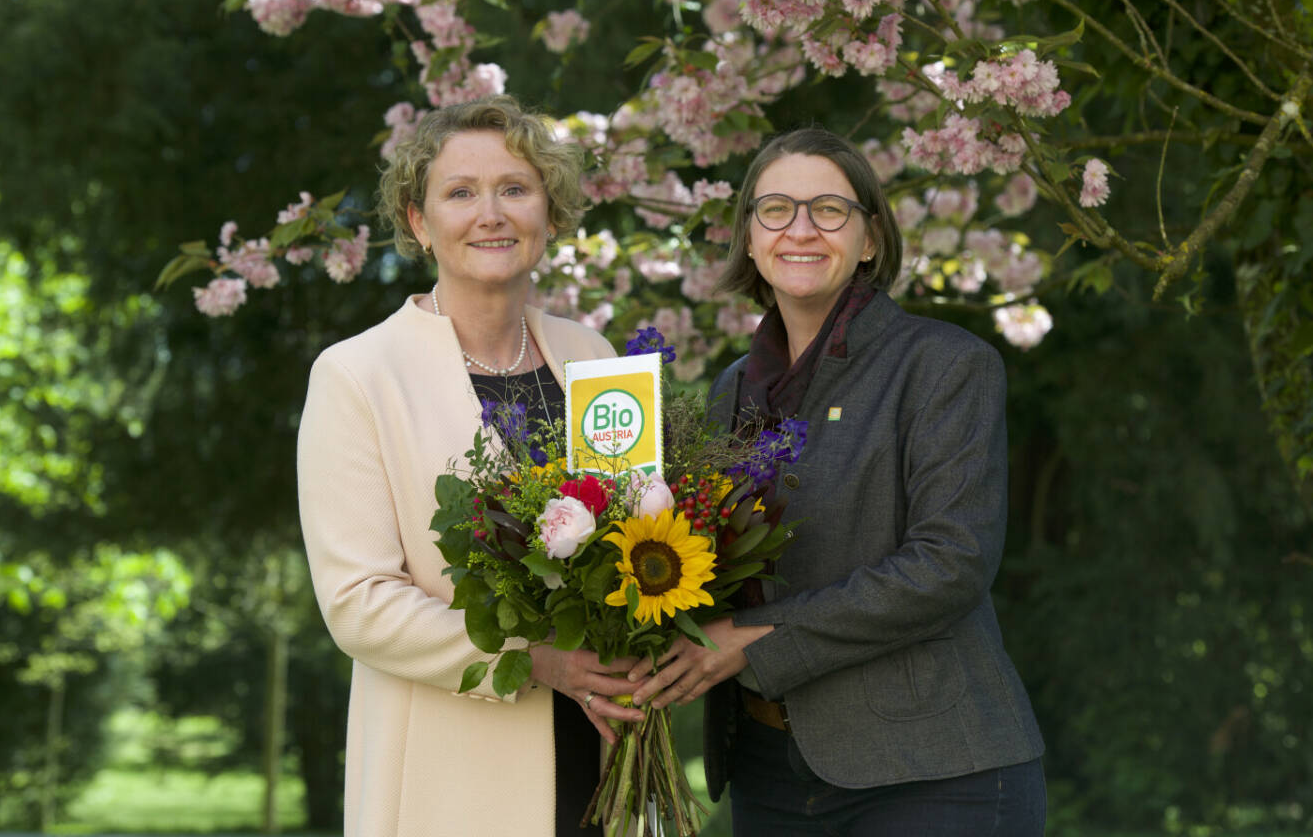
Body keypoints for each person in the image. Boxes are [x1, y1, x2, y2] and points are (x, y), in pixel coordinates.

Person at [627, 127, 1046, 835]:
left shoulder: (945, 366)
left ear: (871, 238)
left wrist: (752, 636)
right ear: (750, 238)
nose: (800, 230)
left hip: (931, 770)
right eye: (776, 210)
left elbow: (950, 565)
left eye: (828, 210)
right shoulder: (731, 391)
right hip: (766, 772)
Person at [297, 96, 644, 837]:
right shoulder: (357, 374)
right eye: (460, 193)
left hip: (604, 750)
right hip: (448, 772)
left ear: (549, 214)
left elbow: (646, 534)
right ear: (419, 224)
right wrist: (536, 658)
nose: (491, 214)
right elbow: (358, 601)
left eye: (515, 189)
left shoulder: (595, 358)